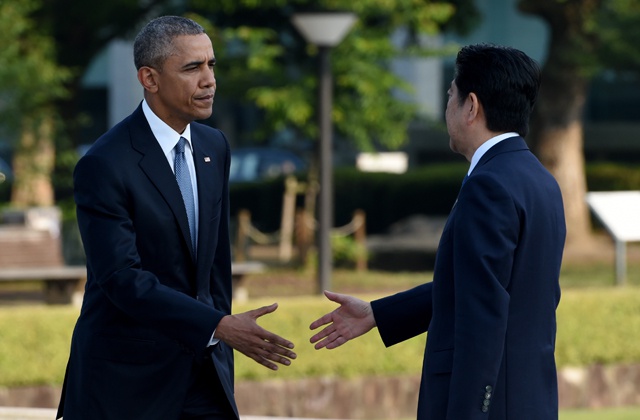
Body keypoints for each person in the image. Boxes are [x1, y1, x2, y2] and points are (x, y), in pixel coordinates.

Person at [57, 16, 296, 420]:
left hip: (204, 376)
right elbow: (121, 278)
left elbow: (215, 266)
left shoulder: (213, 145)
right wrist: (219, 325)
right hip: (127, 384)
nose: (209, 80)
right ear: (149, 78)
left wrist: (217, 339)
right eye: (192, 68)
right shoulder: (104, 163)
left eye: (211, 65)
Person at [310, 44, 566, 420]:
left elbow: (483, 317)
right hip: (529, 400)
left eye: (450, 94)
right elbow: (483, 285)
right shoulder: (539, 179)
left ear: (471, 106)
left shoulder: (489, 185)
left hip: (490, 406)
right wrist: (379, 314)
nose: (446, 105)